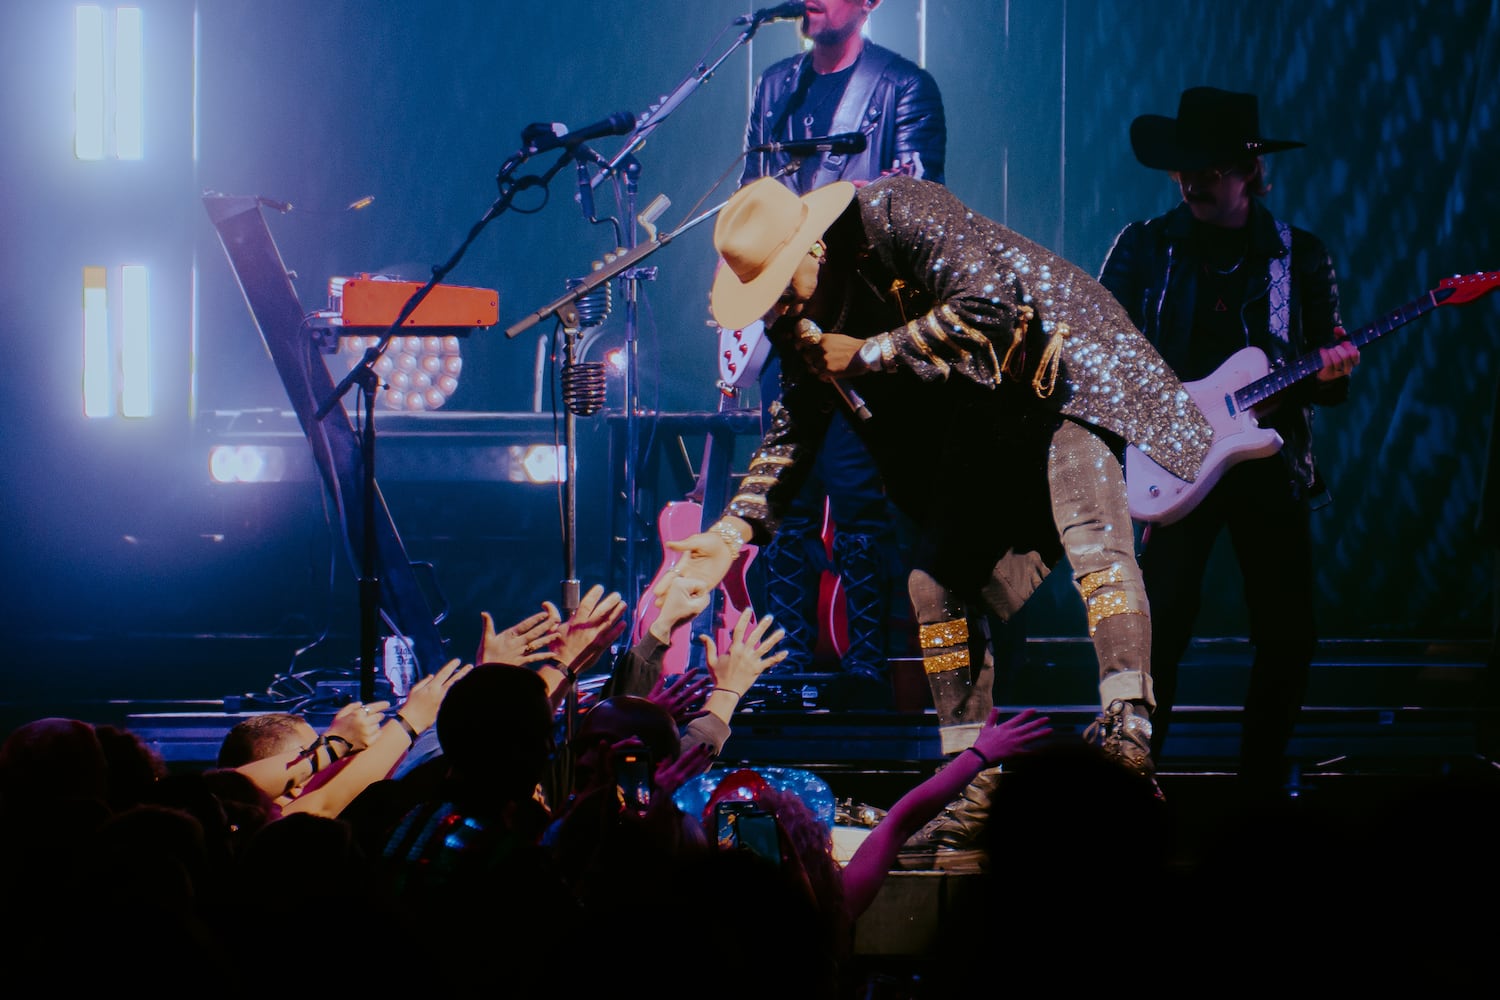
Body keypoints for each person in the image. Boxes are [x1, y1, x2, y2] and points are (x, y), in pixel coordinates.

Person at [661, 174, 1215, 815]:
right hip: (980, 419)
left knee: (1093, 533)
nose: (777, 312)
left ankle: (1128, 726)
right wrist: (730, 535)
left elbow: (990, 308)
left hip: (1055, 373)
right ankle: (969, 784)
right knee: (933, 585)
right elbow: (792, 437)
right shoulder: (798, 321)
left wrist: (869, 353)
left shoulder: (896, 210)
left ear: (811, 250)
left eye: (779, 290)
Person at [1097, 87, 1360, 800]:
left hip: (1267, 463)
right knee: (1163, 626)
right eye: (1185, 168)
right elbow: (1097, 345)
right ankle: (1137, 779)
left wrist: (1333, 369)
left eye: (1209, 168)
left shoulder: (1297, 256)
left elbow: (1325, 376)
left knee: (1288, 632)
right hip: (1172, 459)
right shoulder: (1145, 246)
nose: (1192, 181)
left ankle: (1259, 783)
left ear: (1249, 171)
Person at [734, 0, 948, 708]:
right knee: (783, 501)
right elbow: (750, 198)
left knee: (858, 497)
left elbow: (913, 197)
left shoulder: (903, 86)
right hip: (787, 324)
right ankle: (787, 665)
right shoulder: (775, 85)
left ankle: (864, 667)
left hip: (863, 326)